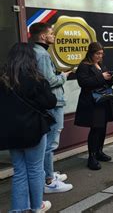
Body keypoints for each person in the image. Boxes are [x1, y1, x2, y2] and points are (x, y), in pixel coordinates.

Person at [1, 43, 57, 212]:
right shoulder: (35, 78)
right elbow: (50, 102)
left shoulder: (3, 79)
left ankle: (18, 210)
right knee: (34, 169)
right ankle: (36, 207)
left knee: (19, 171)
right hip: (34, 130)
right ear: (30, 59)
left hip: (10, 132)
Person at [29, 22, 73, 193]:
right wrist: (63, 76)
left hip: (43, 103)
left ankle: (49, 173)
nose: (54, 36)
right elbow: (49, 81)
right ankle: (48, 180)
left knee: (47, 141)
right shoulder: (43, 55)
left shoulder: (32, 52)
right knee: (51, 141)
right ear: (42, 36)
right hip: (53, 102)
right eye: (51, 33)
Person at [75, 42, 113, 170]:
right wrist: (101, 77)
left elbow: (109, 81)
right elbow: (84, 83)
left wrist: (110, 77)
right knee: (95, 129)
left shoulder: (100, 64)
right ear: (91, 53)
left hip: (104, 100)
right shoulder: (84, 66)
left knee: (103, 127)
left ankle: (100, 151)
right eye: (97, 54)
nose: (100, 56)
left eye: (101, 54)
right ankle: (92, 157)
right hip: (92, 102)